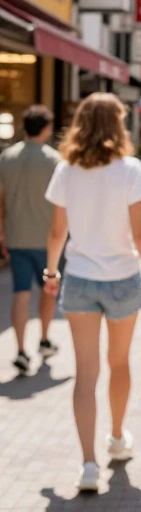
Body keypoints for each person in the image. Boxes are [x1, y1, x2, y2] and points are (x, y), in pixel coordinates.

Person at [43, 93, 141, 492]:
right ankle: (115, 438)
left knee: (85, 372)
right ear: (117, 123)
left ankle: (88, 465)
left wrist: (50, 270)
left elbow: (58, 231)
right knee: (120, 364)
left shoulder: (67, 169)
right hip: (122, 277)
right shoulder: (130, 169)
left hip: (78, 276)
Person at [0, 105, 61, 374]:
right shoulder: (55, 160)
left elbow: (0, 201)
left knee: (20, 293)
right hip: (49, 238)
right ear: (47, 128)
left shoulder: (7, 157)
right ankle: (44, 339)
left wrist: (2, 231)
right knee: (49, 289)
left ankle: (21, 350)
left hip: (16, 234)